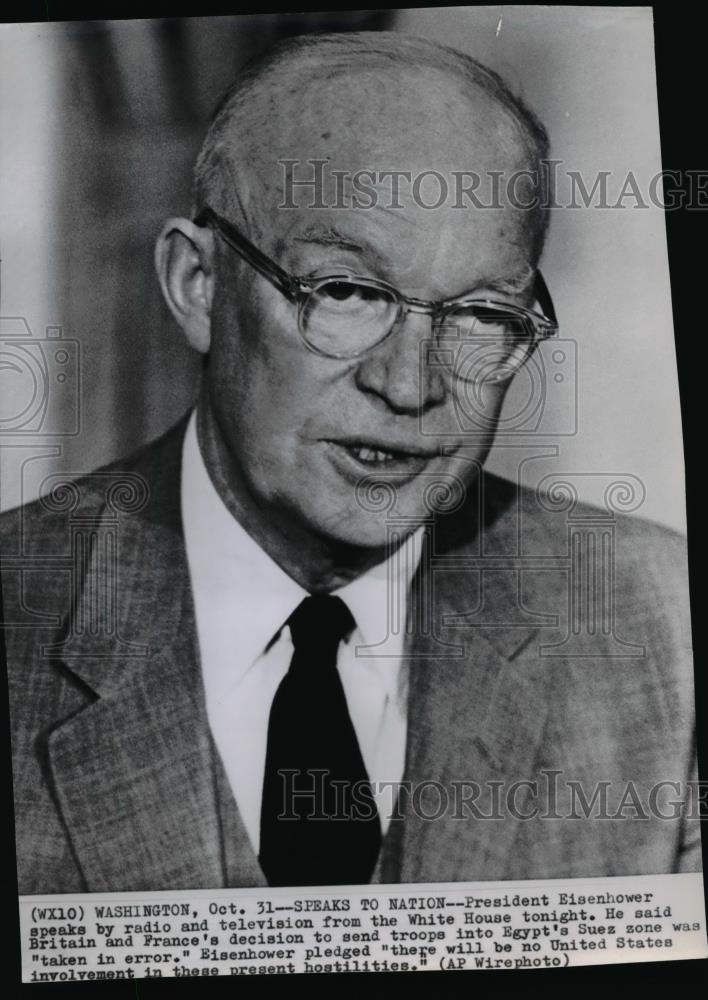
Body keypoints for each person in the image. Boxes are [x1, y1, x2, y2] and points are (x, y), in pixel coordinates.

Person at [1, 32, 699, 894]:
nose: (408, 386)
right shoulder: (19, 608)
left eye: (482, 315)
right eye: (345, 293)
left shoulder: (660, 625)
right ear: (199, 285)